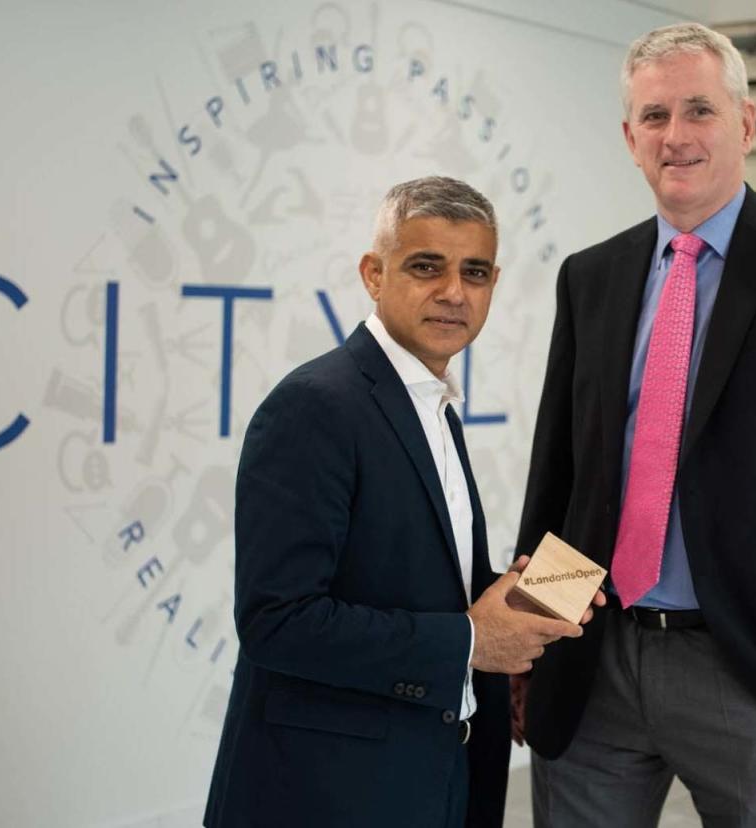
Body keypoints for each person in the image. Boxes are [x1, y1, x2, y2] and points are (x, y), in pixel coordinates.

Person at [513, 23, 756, 827]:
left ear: (746, 124)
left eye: (699, 110)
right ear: (630, 138)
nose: (677, 136)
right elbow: (563, 479)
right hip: (595, 659)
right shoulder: (590, 276)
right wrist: (538, 634)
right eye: (655, 117)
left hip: (749, 667)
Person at [204, 176, 589, 828]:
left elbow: (419, 583)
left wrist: (524, 602)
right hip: (328, 796)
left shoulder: (434, 409)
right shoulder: (315, 407)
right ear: (373, 275)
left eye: (474, 272)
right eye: (425, 267)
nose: (453, 292)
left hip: (434, 776)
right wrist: (473, 641)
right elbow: (278, 621)